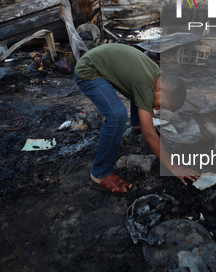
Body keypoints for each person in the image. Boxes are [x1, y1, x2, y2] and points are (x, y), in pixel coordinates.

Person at [74, 43, 200, 195]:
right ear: (161, 89)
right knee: (117, 116)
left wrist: (147, 118)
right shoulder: (147, 84)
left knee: (144, 97)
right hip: (88, 70)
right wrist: (173, 166)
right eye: (161, 105)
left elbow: (142, 94)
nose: (158, 109)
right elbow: (148, 134)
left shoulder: (157, 77)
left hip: (100, 61)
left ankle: (137, 124)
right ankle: (100, 174)